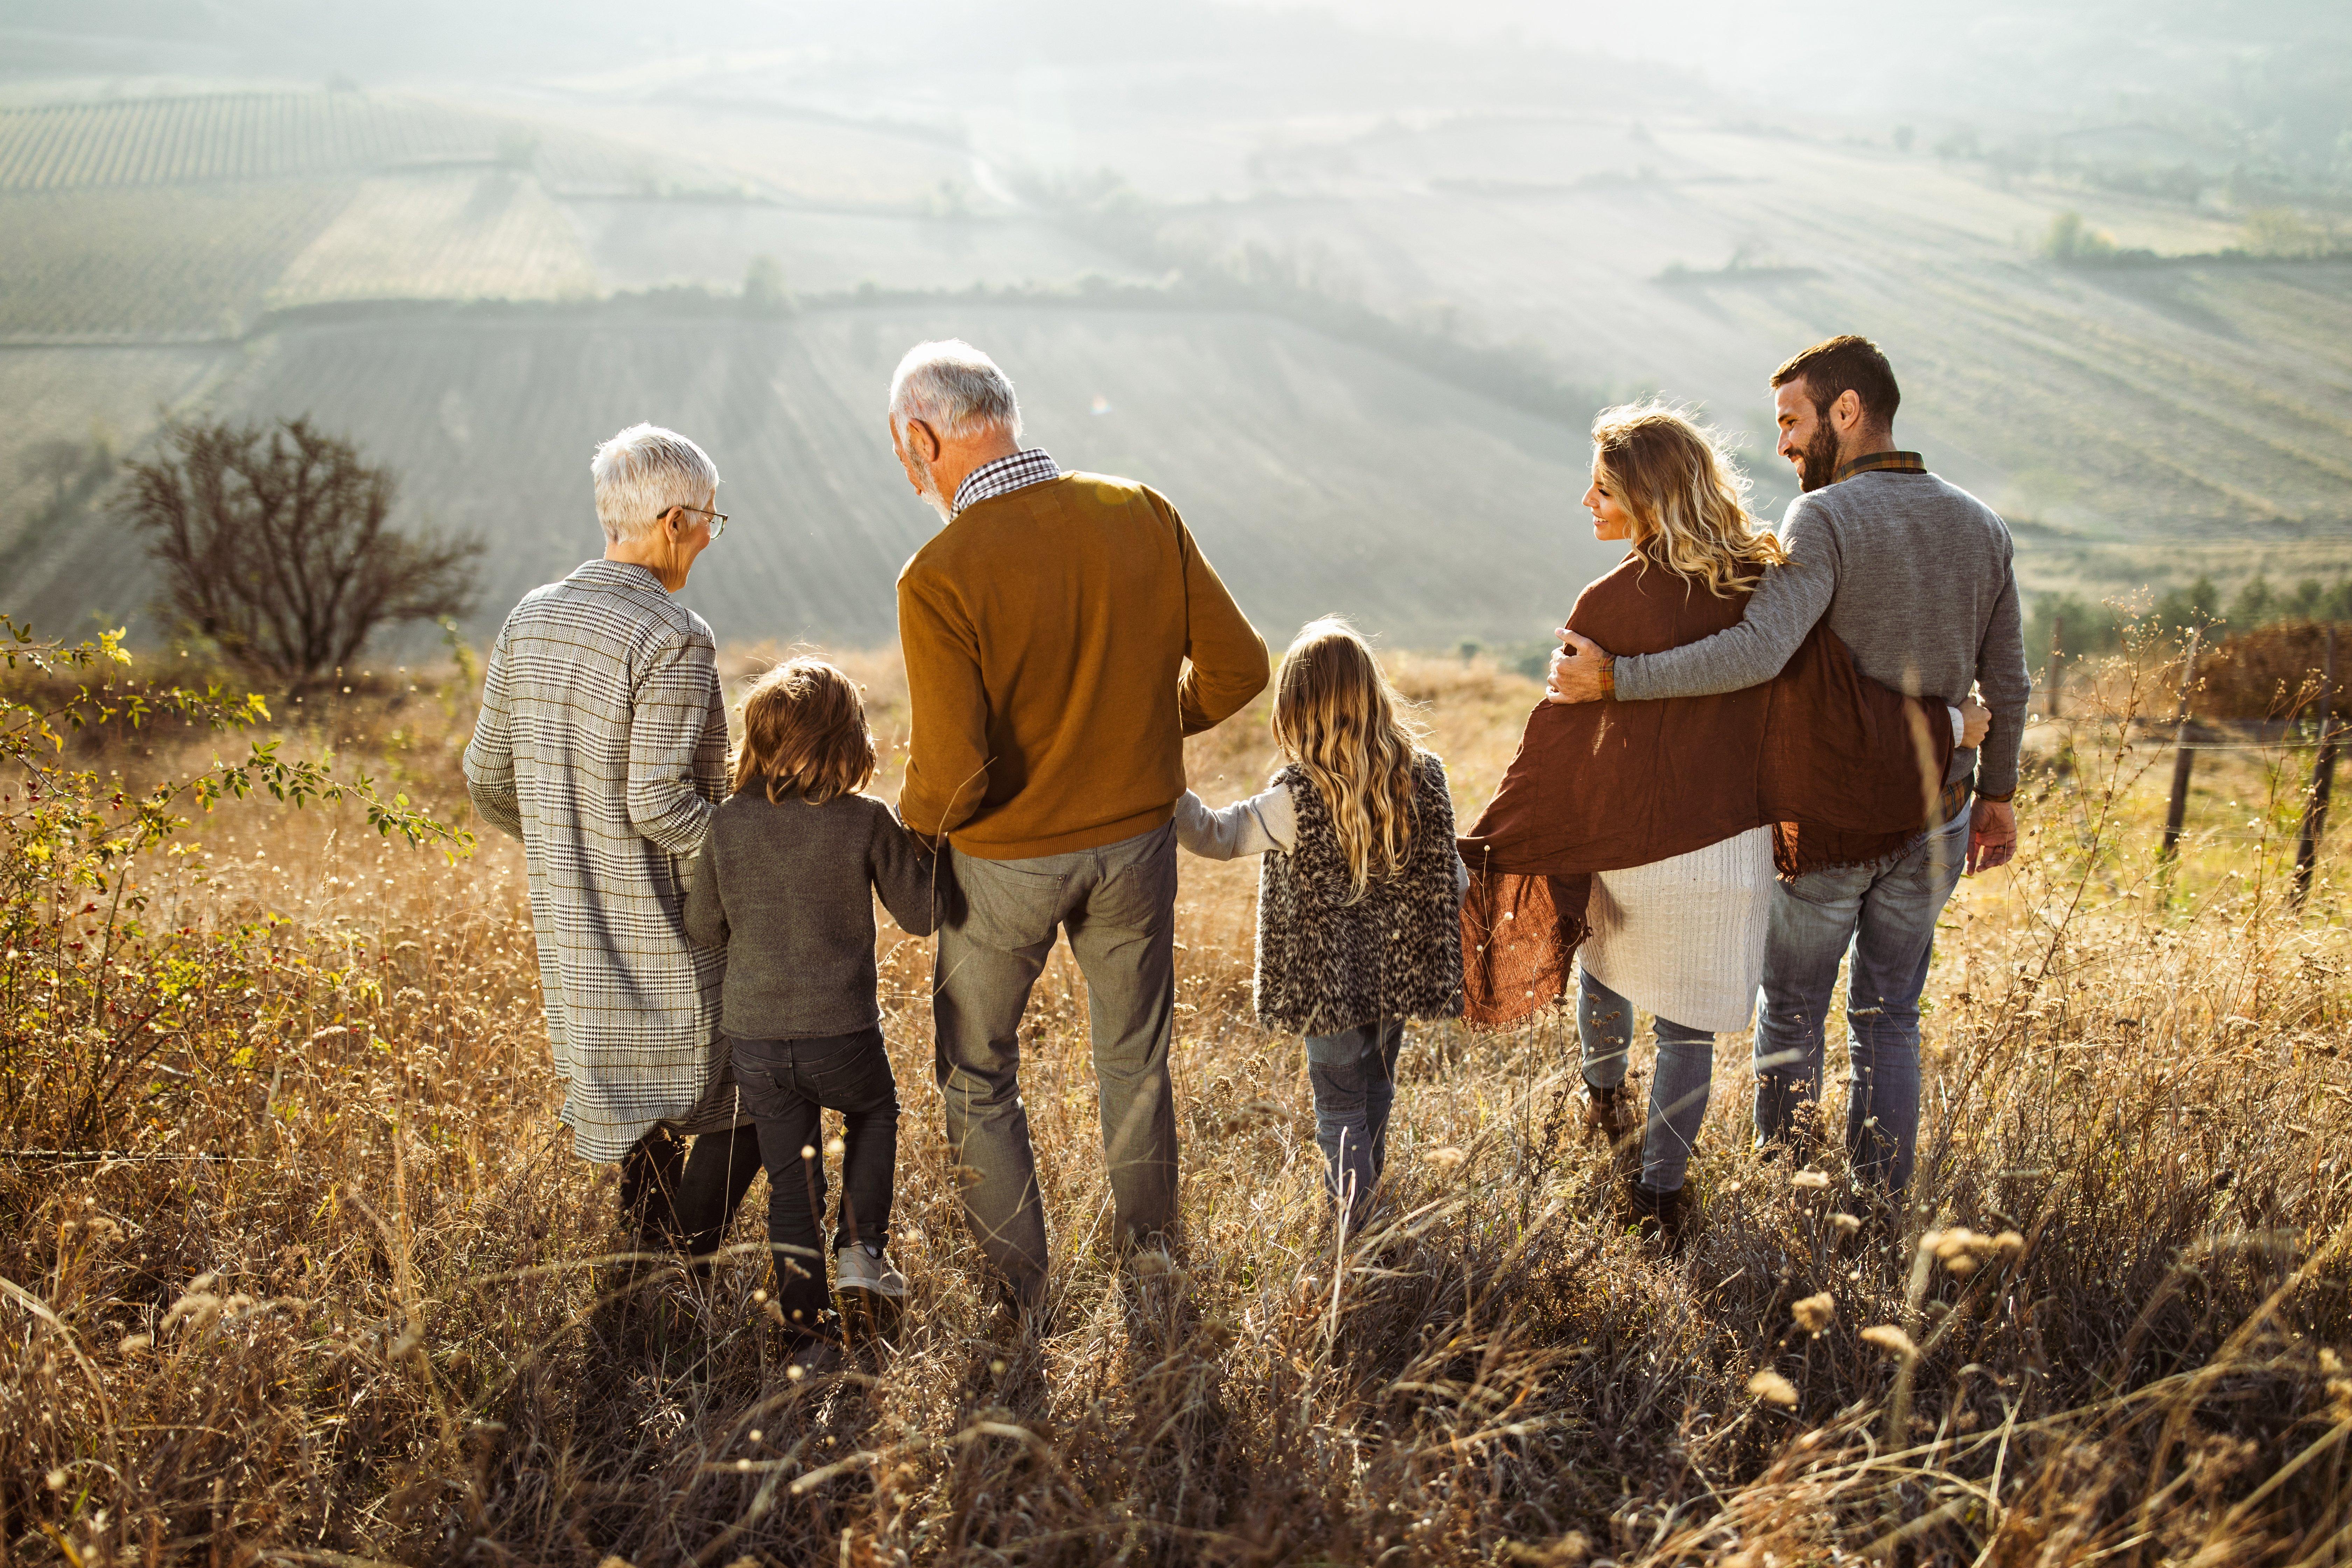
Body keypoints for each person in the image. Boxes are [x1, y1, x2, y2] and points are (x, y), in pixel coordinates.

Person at [1458, 402, 1985, 1244]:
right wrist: (1952, 727)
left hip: (1636, 847)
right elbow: (1834, 716)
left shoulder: (1607, 602)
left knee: (1604, 970)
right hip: (1726, 856)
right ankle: (1662, 1198)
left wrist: (1499, 839)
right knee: (1688, 1034)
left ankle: (1604, 1103)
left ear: (1648, 500)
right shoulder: (1762, 584)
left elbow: (1556, 744)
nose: (1585, 503)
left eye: (1601, 490)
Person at [1542, 336, 2031, 1197]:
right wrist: (1997, 793)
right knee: (1892, 1016)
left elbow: (1760, 651)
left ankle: (1788, 1187)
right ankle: (1877, 1204)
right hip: (1940, 814)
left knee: (1796, 1008)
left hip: (1834, 823)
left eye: (1794, 421)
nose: (1785, 445)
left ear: (1848, 412)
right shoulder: (1982, 525)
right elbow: (2011, 681)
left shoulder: (1827, 519)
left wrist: (1619, 678)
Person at [890, 338, 1269, 1313]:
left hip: (1003, 866)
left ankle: (1022, 1295)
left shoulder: (937, 576)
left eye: (902, 448)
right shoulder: (1141, 511)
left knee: (976, 1073)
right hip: (1139, 845)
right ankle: (1153, 1266)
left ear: (923, 440)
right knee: (1135, 1059)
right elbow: (1238, 671)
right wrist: (1136, 724)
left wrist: (905, 837)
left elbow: (957, 770)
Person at [463, 423, 760, 1267]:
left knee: (639, 1102)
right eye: (710, 519)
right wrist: (754, 861)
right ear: (674, 521)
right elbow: (661, 803)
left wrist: (567, 841)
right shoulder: (674, 634)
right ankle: (680, 1267)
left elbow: (487, 777)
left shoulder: (532, 617)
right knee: (752, 1095)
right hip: (674, 922)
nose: (711, 535)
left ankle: (638, 1276)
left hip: (574, 930)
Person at [682, 658, 945, 1347]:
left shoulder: (727, 824)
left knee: (794, 1182)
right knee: (875, 1109)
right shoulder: (866, 819)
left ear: (760, 740)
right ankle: (861, 1253)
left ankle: (804, 1317)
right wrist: (937, 847)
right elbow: (923, 914)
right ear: (849, 741)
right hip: (844, 1032)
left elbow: (704, 928)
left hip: (759, 1042)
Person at [1174, 619, 1466, 1231]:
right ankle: (1370, 1210)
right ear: (1373, 695)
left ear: (1295, 709)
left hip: (1325, 992)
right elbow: (1455, 881)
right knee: (1376, 1093)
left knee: (1338, 1110)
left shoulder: (1294, 797)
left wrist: (1165, 789)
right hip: (1396, 984)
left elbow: (1217, 837)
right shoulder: (1426, 778)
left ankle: (1352, 1232)